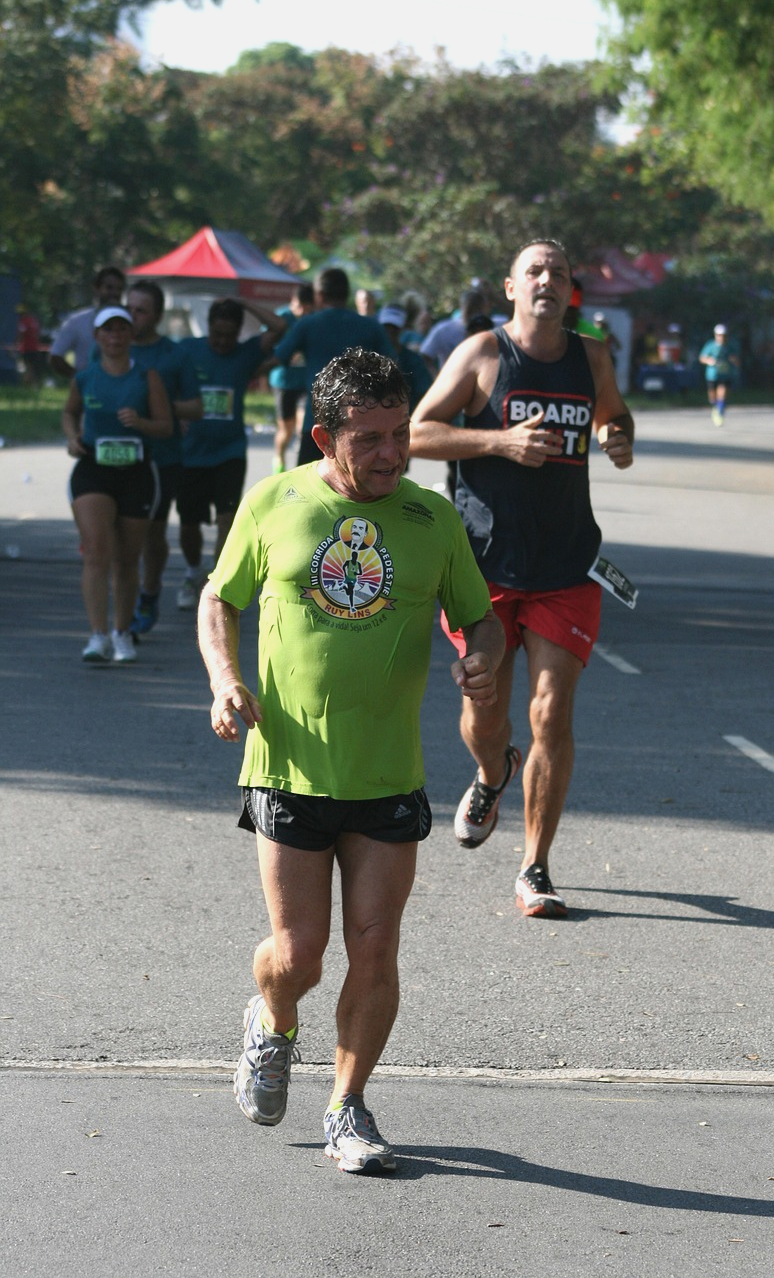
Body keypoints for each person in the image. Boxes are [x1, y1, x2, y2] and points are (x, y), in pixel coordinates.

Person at [197, 347, 504, 1174]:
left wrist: (482, 657)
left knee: (374, 947)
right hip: (289, 765)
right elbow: (218, 600)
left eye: (399, 433)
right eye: (368, 438)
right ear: (326, 436)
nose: (392, 454)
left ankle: (348, 1105)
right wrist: (226, 680)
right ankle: (272, 1023)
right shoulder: (277, 501)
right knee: (297, 955)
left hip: (388, 774)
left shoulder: (430, 520)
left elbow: (481, 619)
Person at [410, 238, 635, 919]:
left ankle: (534, 866)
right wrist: (498, 442)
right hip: (482, 565)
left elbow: (613, 416)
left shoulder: (590, 354)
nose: (545, 280)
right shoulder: (481, 353)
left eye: (558, 273)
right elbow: (418, 431)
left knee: (550, 712)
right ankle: (490, 772)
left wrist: (617, 435)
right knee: (484, 709)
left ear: (570, 291)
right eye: (533, 271)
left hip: (566, 563)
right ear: (511, 287)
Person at [61, 306, 171, 663]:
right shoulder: (85, 377)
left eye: (121, 329)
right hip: (94, 470)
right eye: (107, 331)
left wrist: (140, 422)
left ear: (130, 336)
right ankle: (97, 635)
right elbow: (69, 412)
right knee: (95, 552)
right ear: (97, 337)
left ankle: (122, 632)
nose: (114, 337)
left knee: (127, 559)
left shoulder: (147, 377)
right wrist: (72, 437)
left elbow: (165, 426)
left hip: (136, 474)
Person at [176, 297, 285, 610]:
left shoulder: (246, 352)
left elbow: (279, 326)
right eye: (217, 333)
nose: (222, 341)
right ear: (208, 326)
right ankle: (193, 570)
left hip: (230, 452)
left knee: (227, 520)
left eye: (229, 335)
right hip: (191, 453)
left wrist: (242, 302)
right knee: (188, 524)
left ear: (238, 332)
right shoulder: (187, 349)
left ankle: (214, 583)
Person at [121, 281, 203, 637]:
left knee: (153, 535)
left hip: (162, 458)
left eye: (141, 310)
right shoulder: (111, 349)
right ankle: (122, 606)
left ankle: (149, 594)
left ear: (156, 315)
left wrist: (158, 408)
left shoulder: (174, 355)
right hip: (117, 458)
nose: (133, 316)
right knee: (121, 538)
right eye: (129, 308)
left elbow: (197, 407)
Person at [272, 268, 396, 467]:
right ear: (347, 294)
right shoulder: (370, 326)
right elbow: (392, 366)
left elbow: (278, 357)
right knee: (359, 489)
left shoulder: (307, 324)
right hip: (362, 421)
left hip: (317, 422)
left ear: (319, 295)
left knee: (308, 488)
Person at [268, 283, 315, 473]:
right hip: (284, 382)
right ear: (292, 302)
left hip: (305, 382)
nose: (301, 311)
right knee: (286, 430)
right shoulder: (281, 317)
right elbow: (268, 343)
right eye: (298, 306)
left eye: (306, 307)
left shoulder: (314, 320)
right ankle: (279, 458)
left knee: (302, 426)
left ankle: (299, 469)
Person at [49, 266, 125, 381]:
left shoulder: (130, 321)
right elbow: (55, 356)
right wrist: (80, 378)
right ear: (97, 289)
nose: (114, 293)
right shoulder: (77, 321)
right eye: (109, 288)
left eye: (119, 289)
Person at [378, 304, 434, 414]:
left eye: (395, 327)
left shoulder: (414, 360)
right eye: (387, 326)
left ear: (402, 328)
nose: (390, 331)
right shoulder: (369, 358)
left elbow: (424, 394)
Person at [699, 323, 739, 426]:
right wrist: (709, 361)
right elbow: (702, 358)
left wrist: (734, 361)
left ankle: (720, 414)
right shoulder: (710, 345)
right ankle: (714, 407)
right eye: (719, 335)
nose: (722, 338)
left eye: (724, 335)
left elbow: (737, 361)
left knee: (722, 394)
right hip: (712, 375)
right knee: (712, 397)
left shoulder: (730, 347)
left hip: (725, 375)